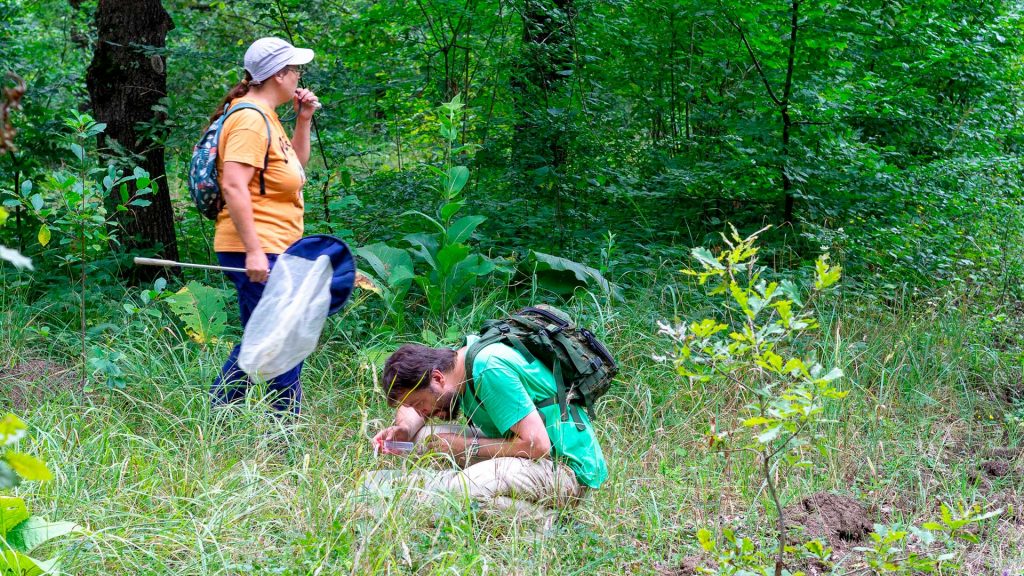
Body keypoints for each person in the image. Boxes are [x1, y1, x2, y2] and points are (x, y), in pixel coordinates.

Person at [371, 336, 609, 524]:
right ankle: (436, 492)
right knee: (423, 439)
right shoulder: (457, 362)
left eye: (418, 403)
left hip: (564, 469)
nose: (420, 411)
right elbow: (412, 410)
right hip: (526, 450)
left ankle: (553, 524)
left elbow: (538, 445)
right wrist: (403, 427)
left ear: (437, 378)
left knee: (462, 491)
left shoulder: (488, 368)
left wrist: (464, 446)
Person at [209, 37, 320, 414]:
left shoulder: (267, 117)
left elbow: (295, 170)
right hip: (256, 246)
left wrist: (302, 120)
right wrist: (255, 251)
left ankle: (223, 414)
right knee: (282, 337)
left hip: (276, 245)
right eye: (296, 70)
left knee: (267, 336)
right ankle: (280, 431)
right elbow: (233, 184)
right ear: (279, 75)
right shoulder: (249, 119)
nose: (299, 77)